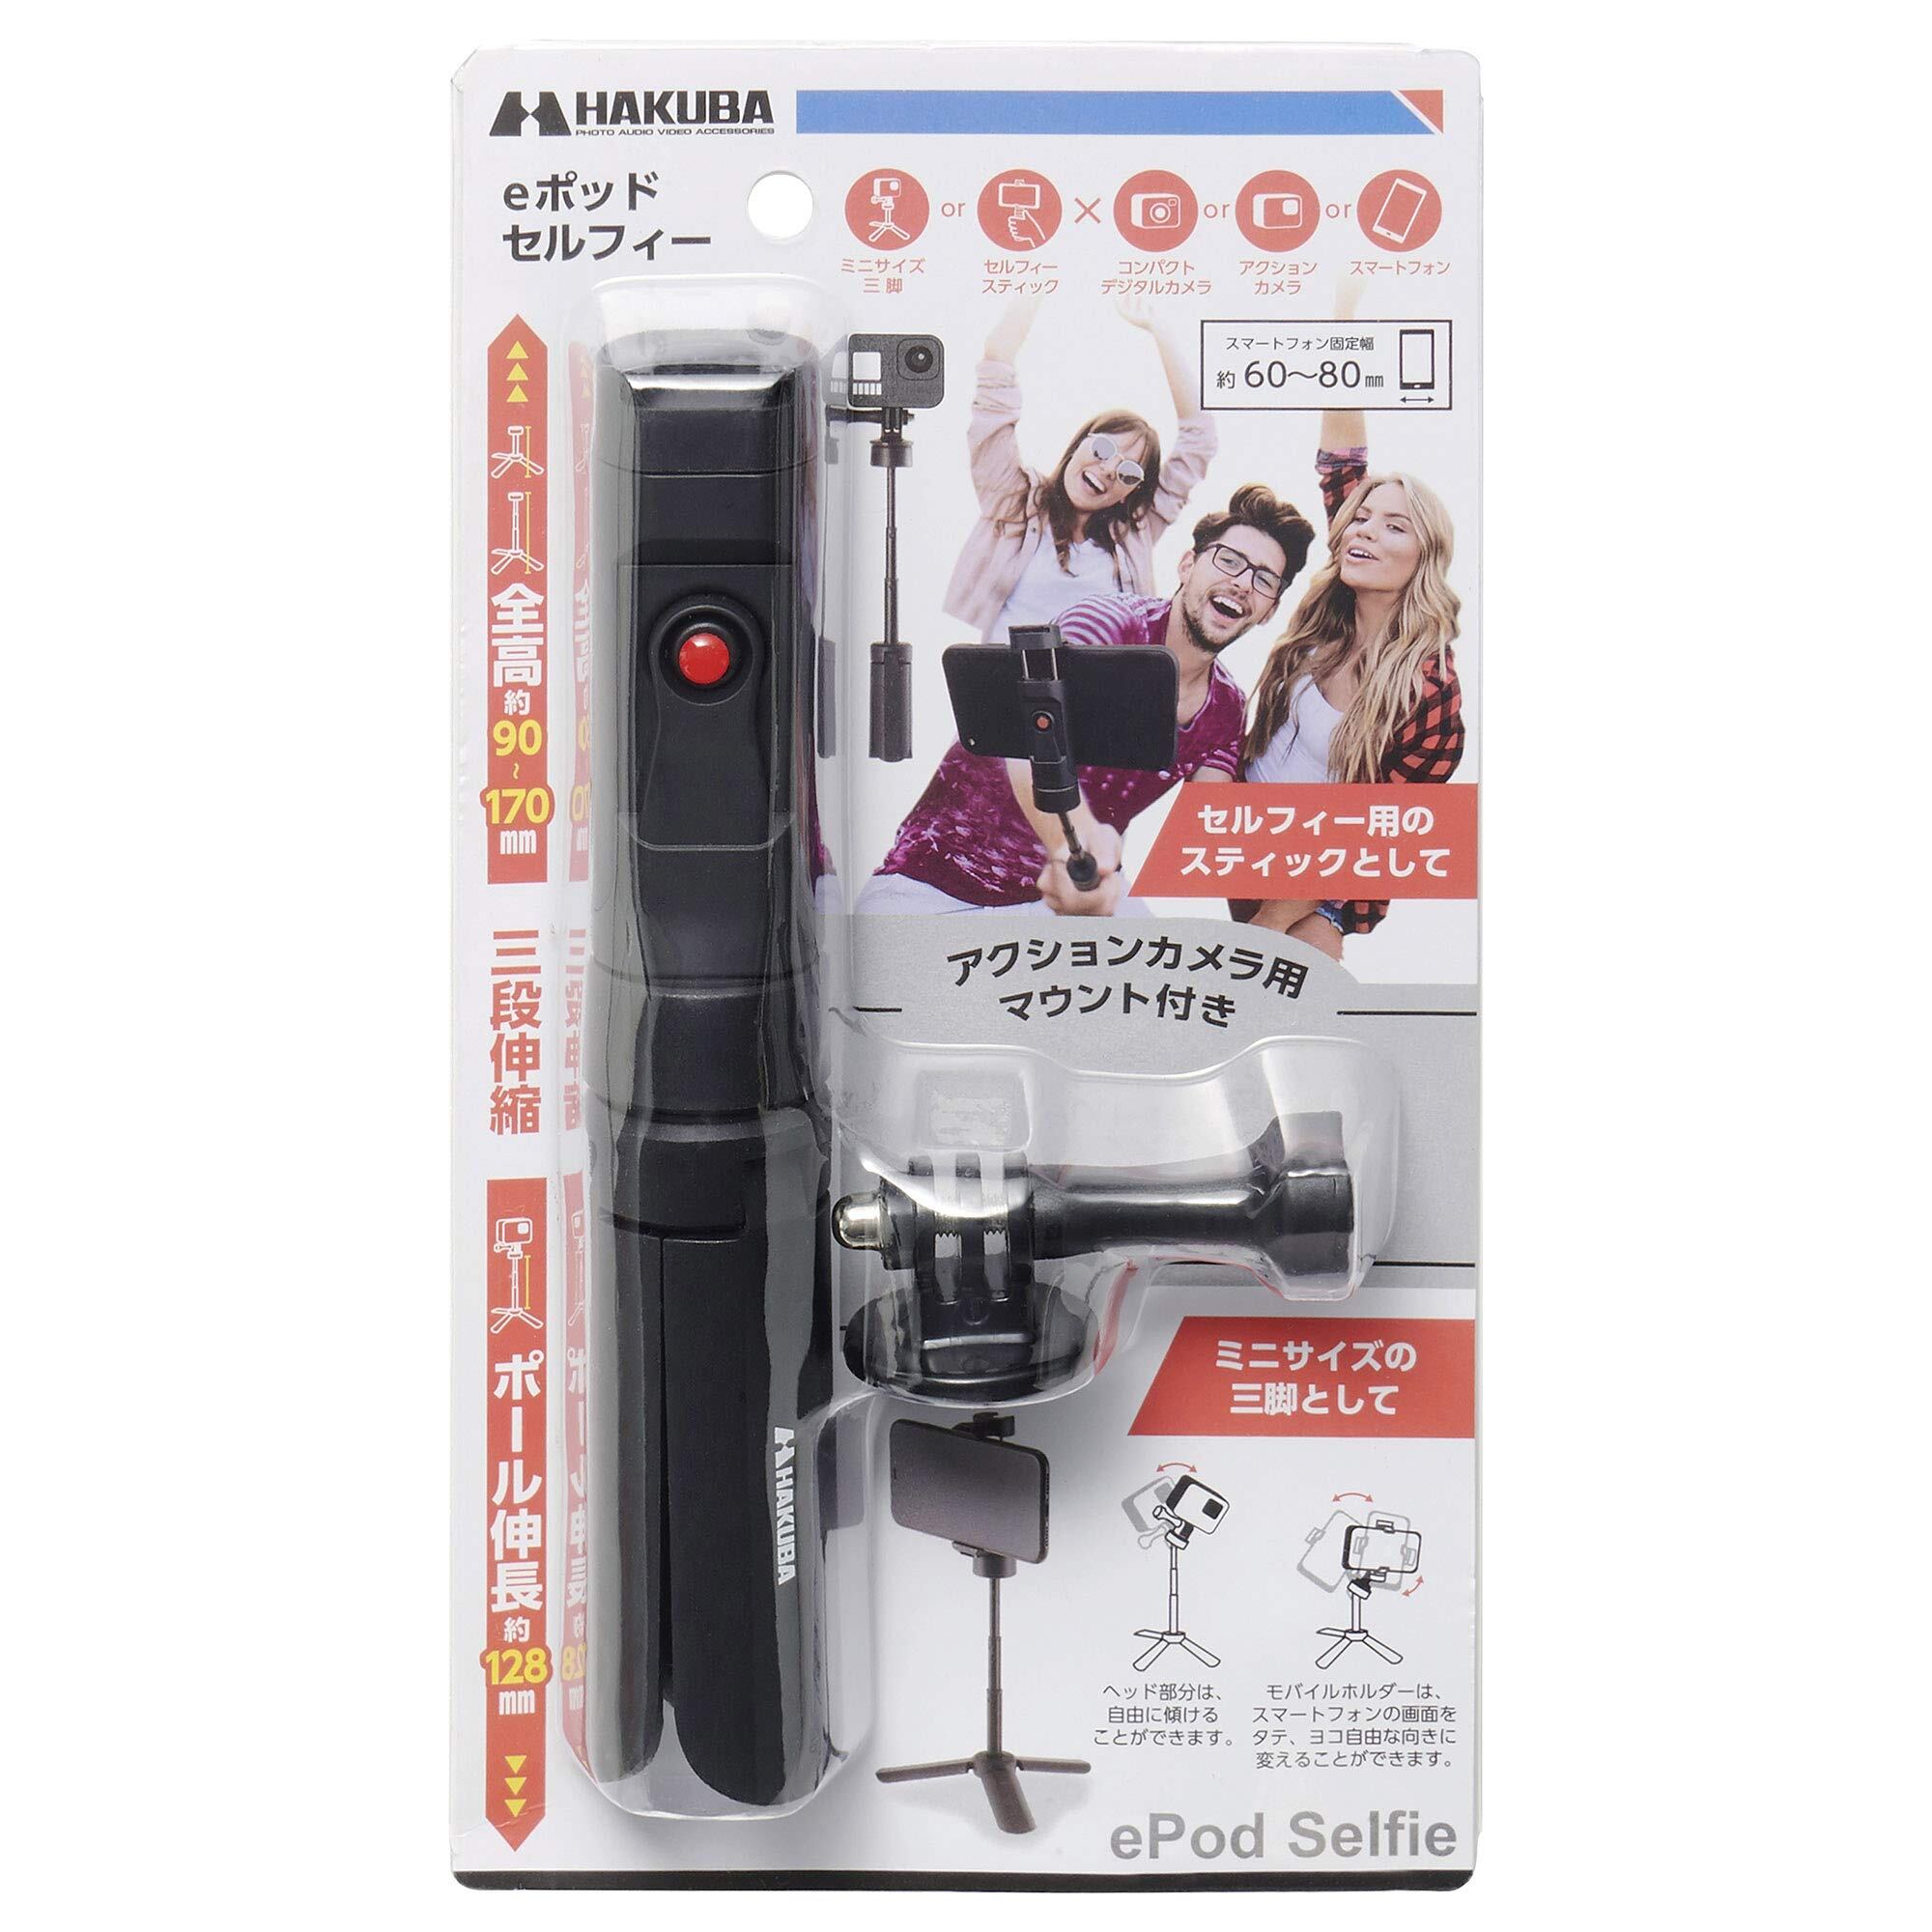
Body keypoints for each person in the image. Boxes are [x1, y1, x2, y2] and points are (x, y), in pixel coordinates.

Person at [861, 486, 1317, 916]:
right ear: (1187, 566)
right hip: (932, 884)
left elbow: (1210, 822)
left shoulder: (1227, 708)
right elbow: (1029, 741)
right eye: (1229, 560)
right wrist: (1072, 845)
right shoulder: (1108, 624)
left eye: (1264, 579)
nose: (1242, 583)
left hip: (1070, 902)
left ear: (1270, 611)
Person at [1237, 397, 1465, 957]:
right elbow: (1342, 462)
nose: (1366, 531)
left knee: (1288, 981)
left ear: (1424, 556)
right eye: (1360, 519)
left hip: (1319, 881)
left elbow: (1378, 832)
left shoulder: (1428, 690)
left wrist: (1271, 920)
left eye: (1395, 526)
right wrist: (1342, 349)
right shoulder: (1338, 604)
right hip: (1241, 840)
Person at [944, 293, 1218, 642]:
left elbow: (1200, 438)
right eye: (1104, 449)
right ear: (1079, 444)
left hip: (1100, 679)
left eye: (1128, 472)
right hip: (1005, 675)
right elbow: (997, 362)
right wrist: (1035, 287)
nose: (1109, 469)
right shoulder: (1013, 502)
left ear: (1130, 493)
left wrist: (1160, 330)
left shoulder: (1135, 535)